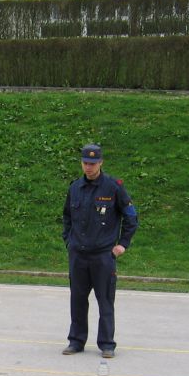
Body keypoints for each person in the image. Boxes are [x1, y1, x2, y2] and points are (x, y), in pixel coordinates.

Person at [62, 143, 138, 358]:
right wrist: (69, 241)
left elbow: (131, 217)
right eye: (86, 163)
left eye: (93, 163)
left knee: (105, 301)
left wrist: (122, 244)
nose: (89, 167)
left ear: (101, 163)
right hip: (78, 254)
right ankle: (76, 341)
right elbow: (67, 217)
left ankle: (107, 344)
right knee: (77, 299)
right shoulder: (75, 187)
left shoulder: (113, 187)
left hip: (103, 256)